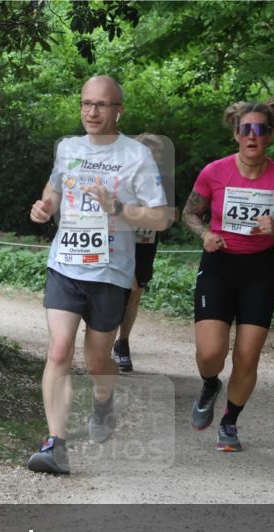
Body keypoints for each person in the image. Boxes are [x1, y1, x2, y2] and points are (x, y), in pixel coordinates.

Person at [26, 76, 171, 475]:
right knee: (58, 350)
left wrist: (119, 208)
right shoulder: (68, 148)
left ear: (118, 110)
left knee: (96, 362)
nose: (92, 112)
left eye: (101, 105)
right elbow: (53, 189)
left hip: (110, 271)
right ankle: (54, 444)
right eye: (86, 104)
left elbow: (160, 217)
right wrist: (45, 206)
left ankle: (104, 402)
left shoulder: (136, 156)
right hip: (66, 264)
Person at [183, 99, 274, 452]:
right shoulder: (214, 172)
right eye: (246, 129)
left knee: (247, 357)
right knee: (211, 353)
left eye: (261, 130)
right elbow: (189, 214)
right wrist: (206, 234)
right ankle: (210, 383)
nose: (253, 136)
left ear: (271, 136)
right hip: (219, 266)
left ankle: (229, 421)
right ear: (236, 134)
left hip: (259, 271)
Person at [110, 133, 177, 373]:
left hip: (146, 241)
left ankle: (122, 342)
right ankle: (107, 337)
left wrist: (159, 215)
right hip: (118, 238)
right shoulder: (118, 174)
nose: (155, 157)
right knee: (120, 287)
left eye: (158, 153)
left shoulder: (164, 181)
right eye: (150, 152)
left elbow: (172, 215)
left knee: (135, 292)